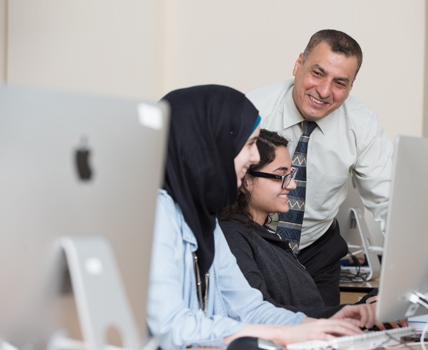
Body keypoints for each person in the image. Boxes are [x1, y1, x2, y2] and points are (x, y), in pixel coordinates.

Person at [146, 85, 375, 350]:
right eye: (248, 144)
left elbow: (250, 310)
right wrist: (286, 335)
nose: (254, 157)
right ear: (210, 145)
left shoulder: (205, 222)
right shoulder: (157, 213)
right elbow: (173, 327)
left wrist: (312, 326)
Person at [246, 29, 393, 306]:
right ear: (298, 64)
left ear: (351, 87)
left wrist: (405, 277)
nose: (325, 91)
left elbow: (391, 203)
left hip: (316, 251)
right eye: (317, 73)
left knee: (327, 338)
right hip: (255, 245)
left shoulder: (361, 124)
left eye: (340, 82)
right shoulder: (253, 110)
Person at [219, 129, 380, 321]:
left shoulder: (265, 236)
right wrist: (349, 314)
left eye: (291, 174)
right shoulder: (231, 238)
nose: (293, 185)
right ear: (246, 180)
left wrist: (366, 306)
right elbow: (261, 314)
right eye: (282, 175)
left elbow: (304, 310)